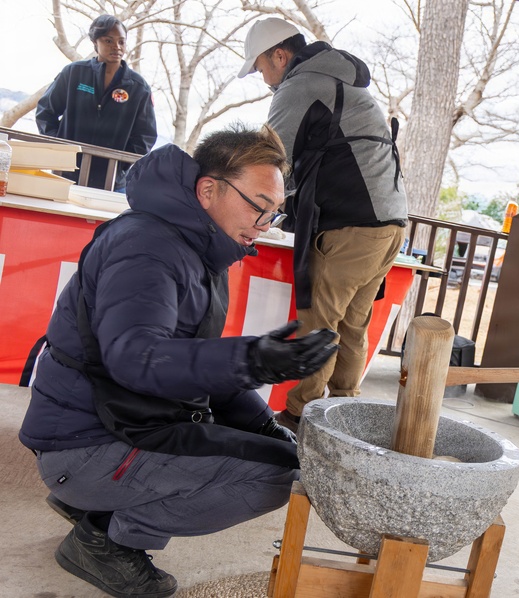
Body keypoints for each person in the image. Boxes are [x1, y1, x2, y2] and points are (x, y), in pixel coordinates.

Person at [18, 123, 339, 598]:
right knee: (276, 477)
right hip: (86, 442)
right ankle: (102, 537)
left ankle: (99, 504)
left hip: (123, 423)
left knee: (282, 452)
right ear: (208, 189)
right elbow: (137, 358)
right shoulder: (147, 246)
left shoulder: (199, 247)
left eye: (273, 213)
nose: (263, 224)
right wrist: (255, 359)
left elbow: (198, 361)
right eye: (257, 206)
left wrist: (267, 425)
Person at [237, 18, 408, 433]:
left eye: (261, 67)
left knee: (320, 324)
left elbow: (269, 159)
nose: (264, 80)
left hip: (351, 225)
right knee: (352, 324)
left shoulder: (302, 85)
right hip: (390, 223)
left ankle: (298, 419)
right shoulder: (348, 83)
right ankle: (345, 416)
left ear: (280, 55)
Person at [36, 14, 157, 191]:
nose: (117, 47)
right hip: (65, 173)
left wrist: (119, 164)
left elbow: (145, 136)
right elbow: (45, 112)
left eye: (121, 42)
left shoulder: (138, 87)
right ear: (95, 42)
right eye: (109, 41)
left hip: (111, 182)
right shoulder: (74, 73)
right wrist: (60, 148)